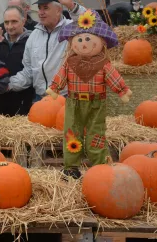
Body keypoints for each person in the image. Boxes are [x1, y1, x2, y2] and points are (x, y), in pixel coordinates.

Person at [46, 10, 132, 179]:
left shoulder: (103, 64)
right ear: (72, 42)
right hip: (74, 103)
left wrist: (122, 90)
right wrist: (54, 88)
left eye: (88, 39)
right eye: (79, 39)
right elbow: (61, 77)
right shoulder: (69, 63)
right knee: (72, 133)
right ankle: (71, 167)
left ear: (101, 42)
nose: (84, 43)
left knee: (96, 133)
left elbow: (114, 78)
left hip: (96, 104)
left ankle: (99, 166)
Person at [7, 0, 86, 101]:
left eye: (45, 8)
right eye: (39, 8)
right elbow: (28, 72)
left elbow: (92, 23)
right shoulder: (34, 35)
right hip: (40, 98)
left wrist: (71, 5)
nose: (40, 12)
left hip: (66, 97)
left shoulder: (71, 29)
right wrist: (7, 84)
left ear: (58, 10)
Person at [0, 6, 34, 116]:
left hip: (22, 100)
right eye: (6, 22)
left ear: (23, 21)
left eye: (14, 22)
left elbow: (31, 71)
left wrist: (5, 85)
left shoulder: (32, 41)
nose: (9, 26)